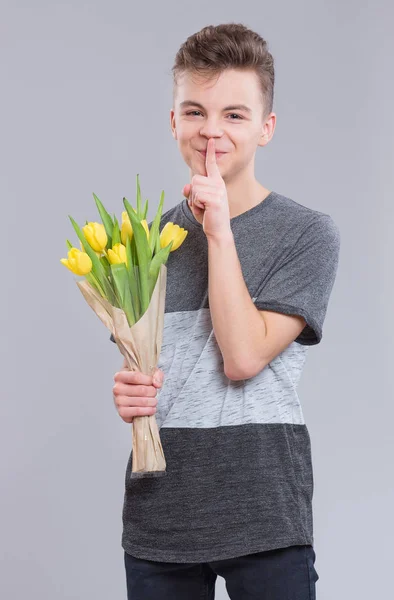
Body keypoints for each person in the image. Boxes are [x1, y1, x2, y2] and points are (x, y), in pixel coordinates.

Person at [111, 22, 340, 600]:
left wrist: (218, 232)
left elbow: (241, 358)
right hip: (160, 520)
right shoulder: (144, 243)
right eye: (194, 112)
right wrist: (133, 392)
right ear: (173, 123)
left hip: (264, 517)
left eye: (234, 115)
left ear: (266, 129)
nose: (211, 130)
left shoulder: (306, 234)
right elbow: (159, 376)